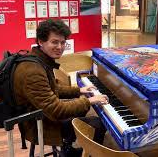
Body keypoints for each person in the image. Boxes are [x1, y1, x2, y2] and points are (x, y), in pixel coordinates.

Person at [13, 19, 108, 156]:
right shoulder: (33, 71)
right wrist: (89, 101)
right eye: (54, 42)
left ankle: (69, 145)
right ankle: (73, 151)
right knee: (98, 123)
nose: (60, 47)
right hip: (39, 124)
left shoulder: (37, 58)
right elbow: (56, 110)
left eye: (63, 42)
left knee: (80, 110)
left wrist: (78, 90)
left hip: (41, 114)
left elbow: (51, 86)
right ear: (41, 41)